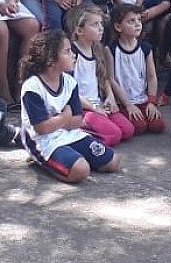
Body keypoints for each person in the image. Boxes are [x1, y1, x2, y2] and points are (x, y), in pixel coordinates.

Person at [18, 29, 122, 183]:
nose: (73, 55)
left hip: (69, 133)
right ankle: (41, 160)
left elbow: (78, 121)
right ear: (51, 60)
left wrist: (59, 121)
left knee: (112, 162)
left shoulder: (69, 82)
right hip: (43, 140)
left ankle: (70, 157)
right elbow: (42, 128)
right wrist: (65, 116)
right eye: (67, 52)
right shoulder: (32, 87)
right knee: (81, 171)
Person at [66, 6, 135, 146]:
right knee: (114, 135)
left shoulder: (97, 49)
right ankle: (76, 132)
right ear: (80, 30)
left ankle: (95, 127)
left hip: (98, 103)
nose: (100, 28)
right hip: (82, 108)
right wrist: (93, 108)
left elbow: (103, 78)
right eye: (94, 25)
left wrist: (110, 97)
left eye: (101, 24)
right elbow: (69, 90)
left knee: (128, 130)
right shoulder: (72, 54)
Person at [107, 3, 166, 135]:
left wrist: (151, 102)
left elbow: (151, 77)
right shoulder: (111, 50)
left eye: (139, 20)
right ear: (118, 26)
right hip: (123, 101)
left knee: (158, 126)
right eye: (131, 21)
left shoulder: (145, 48)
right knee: (139, 127)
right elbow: (111, 79)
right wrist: (128, 105)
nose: (138, 24)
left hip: (142, 99)